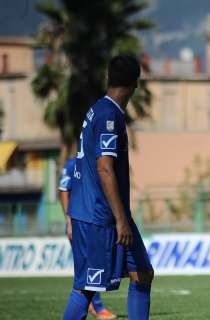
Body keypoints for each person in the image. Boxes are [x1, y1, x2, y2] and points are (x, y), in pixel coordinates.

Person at [63, 54, 154, 320]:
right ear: (136, 83)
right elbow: (104, 168)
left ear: (108, 78)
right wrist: (120, 220)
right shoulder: (108, 115)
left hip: (108, 213)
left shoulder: (100, 109)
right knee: (86, 288)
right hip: (99, 217)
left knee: (143, 273)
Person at [58, 157, 117, 320]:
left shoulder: (96, 162)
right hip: (78, 223)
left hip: (93, 222)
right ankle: (97, 308)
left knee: (92, 266)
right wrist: (68, 220)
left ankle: (93, 306)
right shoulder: (72, 164)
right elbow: (64, 189)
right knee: (88, 268)